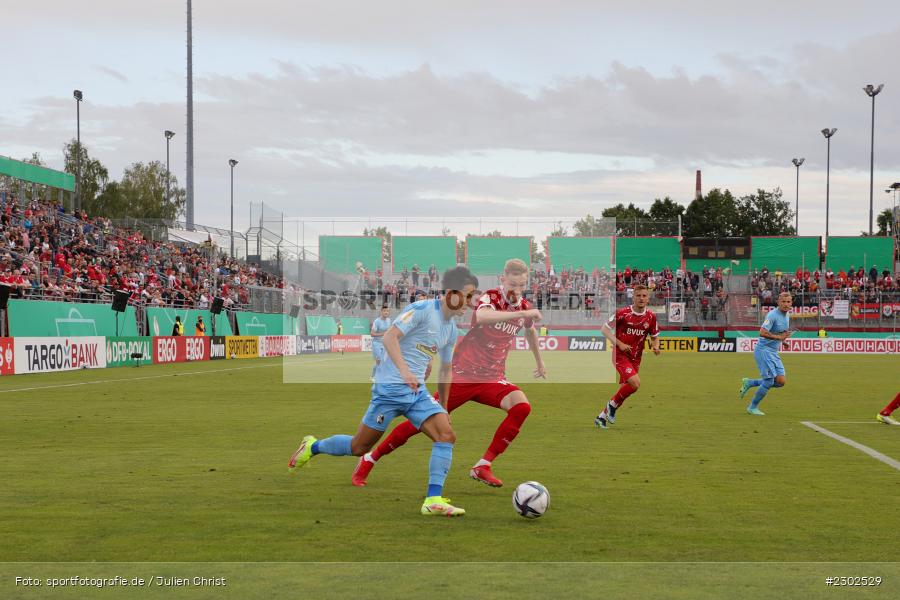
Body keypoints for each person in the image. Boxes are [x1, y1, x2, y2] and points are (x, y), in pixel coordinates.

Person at [288, 266, 479, 517]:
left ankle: (433, 500)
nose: (470, 302)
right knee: (359, 447)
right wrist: (405, 372)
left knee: (446, 435)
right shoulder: (422, 310)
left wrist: (443, 405)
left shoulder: (451, 330)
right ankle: (313, 446)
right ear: (452, 293)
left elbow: (446, 370)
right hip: (389, 390)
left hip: (417, 393)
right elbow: (390, 338)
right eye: (467, 295)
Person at [352, 259, 545, 488]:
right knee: (419, 423)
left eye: (522, 286)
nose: (517, 290)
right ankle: (370, 458)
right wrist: (519, 314)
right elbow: (482, 317)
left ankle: (482, 465)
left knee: (521, 406)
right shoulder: (489, 297)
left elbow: (530, 331)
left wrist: (539, 361)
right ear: (503, 279)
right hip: (462, 375)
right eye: (513, 284)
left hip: (492, 377)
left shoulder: (523, 306)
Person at [595, 284, 660, 429]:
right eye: (638, 295)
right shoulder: (622, 313)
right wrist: (620, 344)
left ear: (648, 298)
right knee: (635, 383)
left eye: (644, 296)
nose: (641, 298)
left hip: (636, 357)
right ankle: (611, 406)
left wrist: (656, 346)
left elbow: (655, 336)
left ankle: (602, 417)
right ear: (633, 297)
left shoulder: (651, 317)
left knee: (630, 387)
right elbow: (604, 330)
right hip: (620, 355)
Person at [739, 292, 792, 415]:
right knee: (768, 381)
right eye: (783, 302)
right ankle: (752, 407)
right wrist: (779, 338)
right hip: (763, 351)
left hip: (773, 352)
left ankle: (750, 382)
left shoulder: (787, 315)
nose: (785, 304)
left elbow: (782, 332)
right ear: (778, 302)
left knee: (780, 382)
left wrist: (783, 340)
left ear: (791, 303)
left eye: (788, 302)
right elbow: (762, 332)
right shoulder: (772, 315)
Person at [369, 306, 391, 380]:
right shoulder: (377, 321)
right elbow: (372, 334)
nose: (386, 312)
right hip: (377, 343)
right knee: (379, 360)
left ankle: (374, 376)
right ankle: (375, 377)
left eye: (387, 311)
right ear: (381, 312)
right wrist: (383, 333)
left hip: (385, 343)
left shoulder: (389, 320)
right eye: (384, 311)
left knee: (384, 361)